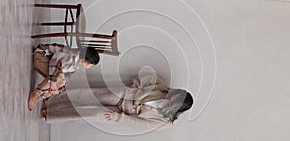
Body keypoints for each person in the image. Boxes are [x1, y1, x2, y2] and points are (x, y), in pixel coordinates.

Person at [41, 75, 193, 131]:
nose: (172, 97)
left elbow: (142, 125)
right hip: (124, 95)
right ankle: (50, 100)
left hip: (121, 114)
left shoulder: (166, 121)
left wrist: (118, 118)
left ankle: (50, 115)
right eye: (176, 95)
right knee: (85, 95)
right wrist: (135, 85)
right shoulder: (164, 89)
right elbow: (151, 78)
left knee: (89, 114)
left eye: (176, 99)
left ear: (179, 106)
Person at [28, 43, 100, 111]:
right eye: (92, 65)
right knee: (58, 78)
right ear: (86, 61)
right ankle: (35, 93)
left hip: (48, 64)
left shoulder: (76, 65)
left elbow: (66, 78)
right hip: (40, 56)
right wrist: (53, 83)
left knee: (61, 81)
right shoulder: (70, 55)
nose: (91, 67)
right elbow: (54, 62)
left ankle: (39, 97)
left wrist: (59, 90)